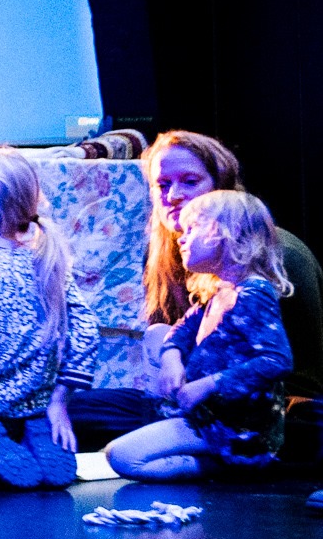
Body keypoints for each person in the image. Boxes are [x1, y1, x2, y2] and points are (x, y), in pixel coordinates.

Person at [71, 130, 323, 457]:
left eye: (189, 182)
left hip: (265, 409)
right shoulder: (170, 254)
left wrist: (210, 394)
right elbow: (173, 334)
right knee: (71, 411)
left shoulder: (275, 256)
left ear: (221, 186)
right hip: (192, 401)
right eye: (163, 185)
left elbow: (295, 376)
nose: (174, 195)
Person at [0, 149, 99, 490]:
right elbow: (86, 328)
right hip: (34, 401)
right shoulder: (45, 261)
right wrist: (59, 401)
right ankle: (35, 428)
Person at [105, 191, 293, 481]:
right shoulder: (218, 293)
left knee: (123, 456)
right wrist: (171, 360)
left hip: (235, 430)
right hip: (206, 418)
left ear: (227, 234)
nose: (181, 239)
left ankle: (226, 465)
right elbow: (180, 330)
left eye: (191, 229)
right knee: (157, 335)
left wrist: (208, 385)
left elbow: (276, 360)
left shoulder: (253, 293)